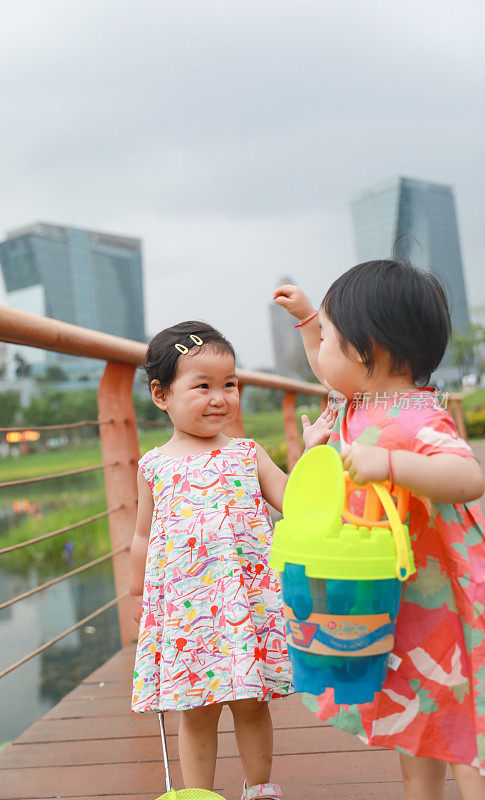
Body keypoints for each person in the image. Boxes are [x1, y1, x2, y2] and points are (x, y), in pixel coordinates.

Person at [274, 260, 485, 800]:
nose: (322, 354)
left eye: (332, 338)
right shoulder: (357, 403)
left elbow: (467, 476)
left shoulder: (417, 418)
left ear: (374, 351)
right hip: (391, 599)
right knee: (416, 728)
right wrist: (308, 322)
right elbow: (330, 371)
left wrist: (391, 465)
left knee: (464, 730)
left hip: (436, 606)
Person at [129, 320, 335, 800]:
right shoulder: (154, 465)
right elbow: (142, 536)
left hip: (244, 606)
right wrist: (139, 596)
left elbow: (290, 497)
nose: (220, 397)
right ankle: (199, 793)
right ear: (161, 395)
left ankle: (260, 787)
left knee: (250, 700)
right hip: (185, 610)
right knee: (195, 707)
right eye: (202, 386)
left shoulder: (246, 453)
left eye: (230, 384)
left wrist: (310, 452)